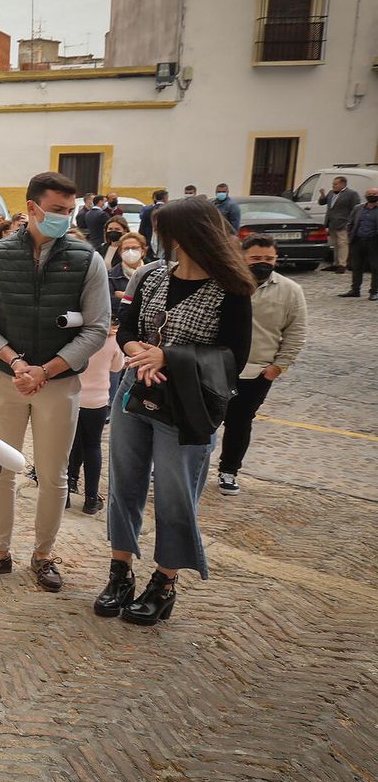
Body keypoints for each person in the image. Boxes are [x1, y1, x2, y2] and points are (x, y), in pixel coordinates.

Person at [99, 196, 255, 626]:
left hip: (188, 404)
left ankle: (164, 581)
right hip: (135, 389)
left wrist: (166, 357)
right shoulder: (151, 278)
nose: (154, 240)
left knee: (174, 493)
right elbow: (126, 327)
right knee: (124, 484)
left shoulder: (233, 289)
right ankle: (119, 573)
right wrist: (137, 353)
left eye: (162, 232)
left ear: (185, 237)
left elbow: (234, 358)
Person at [0, 171, 112, 592]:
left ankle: (43, 555)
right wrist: (17, 362)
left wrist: (46, 371)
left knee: (53, 474)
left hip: (59, 383)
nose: (65, 218)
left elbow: (98, 329)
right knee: (0, 469)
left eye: (71, 211)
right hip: (6, 378)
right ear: (32, 207)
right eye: (57, 210)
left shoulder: (88, 260)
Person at [218, 235, 308, 496]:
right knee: (200, 419)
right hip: (219, 366)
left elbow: (296, 332)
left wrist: (277, 368)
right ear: (243, 257)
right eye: (256, 258)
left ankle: (229, 470)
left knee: (240, 422)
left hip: (257, 371)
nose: (262, 263)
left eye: (268, 258)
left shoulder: (290, 291)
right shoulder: (225, 283)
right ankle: (187, 465)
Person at [67, 328, 124, 516]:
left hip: (73, 397)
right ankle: (91, 499)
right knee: (92, 447)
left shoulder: (78, 333)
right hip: (97, 401)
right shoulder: (112, 339)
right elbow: (117, 367)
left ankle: (65, 493)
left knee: (68, 445)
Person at [321, 175, 363, 274]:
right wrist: (322, 195)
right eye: (333, 184)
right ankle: (335, 263)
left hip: (343, 223)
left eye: (335, 184)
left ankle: (342, 264)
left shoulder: (351, 194)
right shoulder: (331, 193)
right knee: (334, 244)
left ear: (342, 184)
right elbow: (322, 202)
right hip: (332, 223)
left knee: (342, 244)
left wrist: (350, 222)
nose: (333, 186)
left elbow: (355, 208)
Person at [345, 187, 378, 299]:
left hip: (374, 241)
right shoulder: (358, 208)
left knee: (375, 267)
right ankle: (355, 290)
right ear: (365, 196)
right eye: (369, 194)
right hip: (358, 240)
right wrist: (350, 235)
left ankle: (374, 291)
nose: (371, 195)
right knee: (356, 266)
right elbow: (350, 223)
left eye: (374, 194)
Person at [108, 231, 150, 303]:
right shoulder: (111, 276)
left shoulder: (154, 272)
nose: (130, 251)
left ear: (143, 251)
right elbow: (111, 303)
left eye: (134, 248)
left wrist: (126, 297)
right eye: (126, 248)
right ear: (120, 252)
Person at [138, 189, 167, 258]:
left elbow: (142, 229)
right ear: (165, 198)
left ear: (155, 198)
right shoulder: (169, 210)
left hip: (149, 242)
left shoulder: (147, 210)